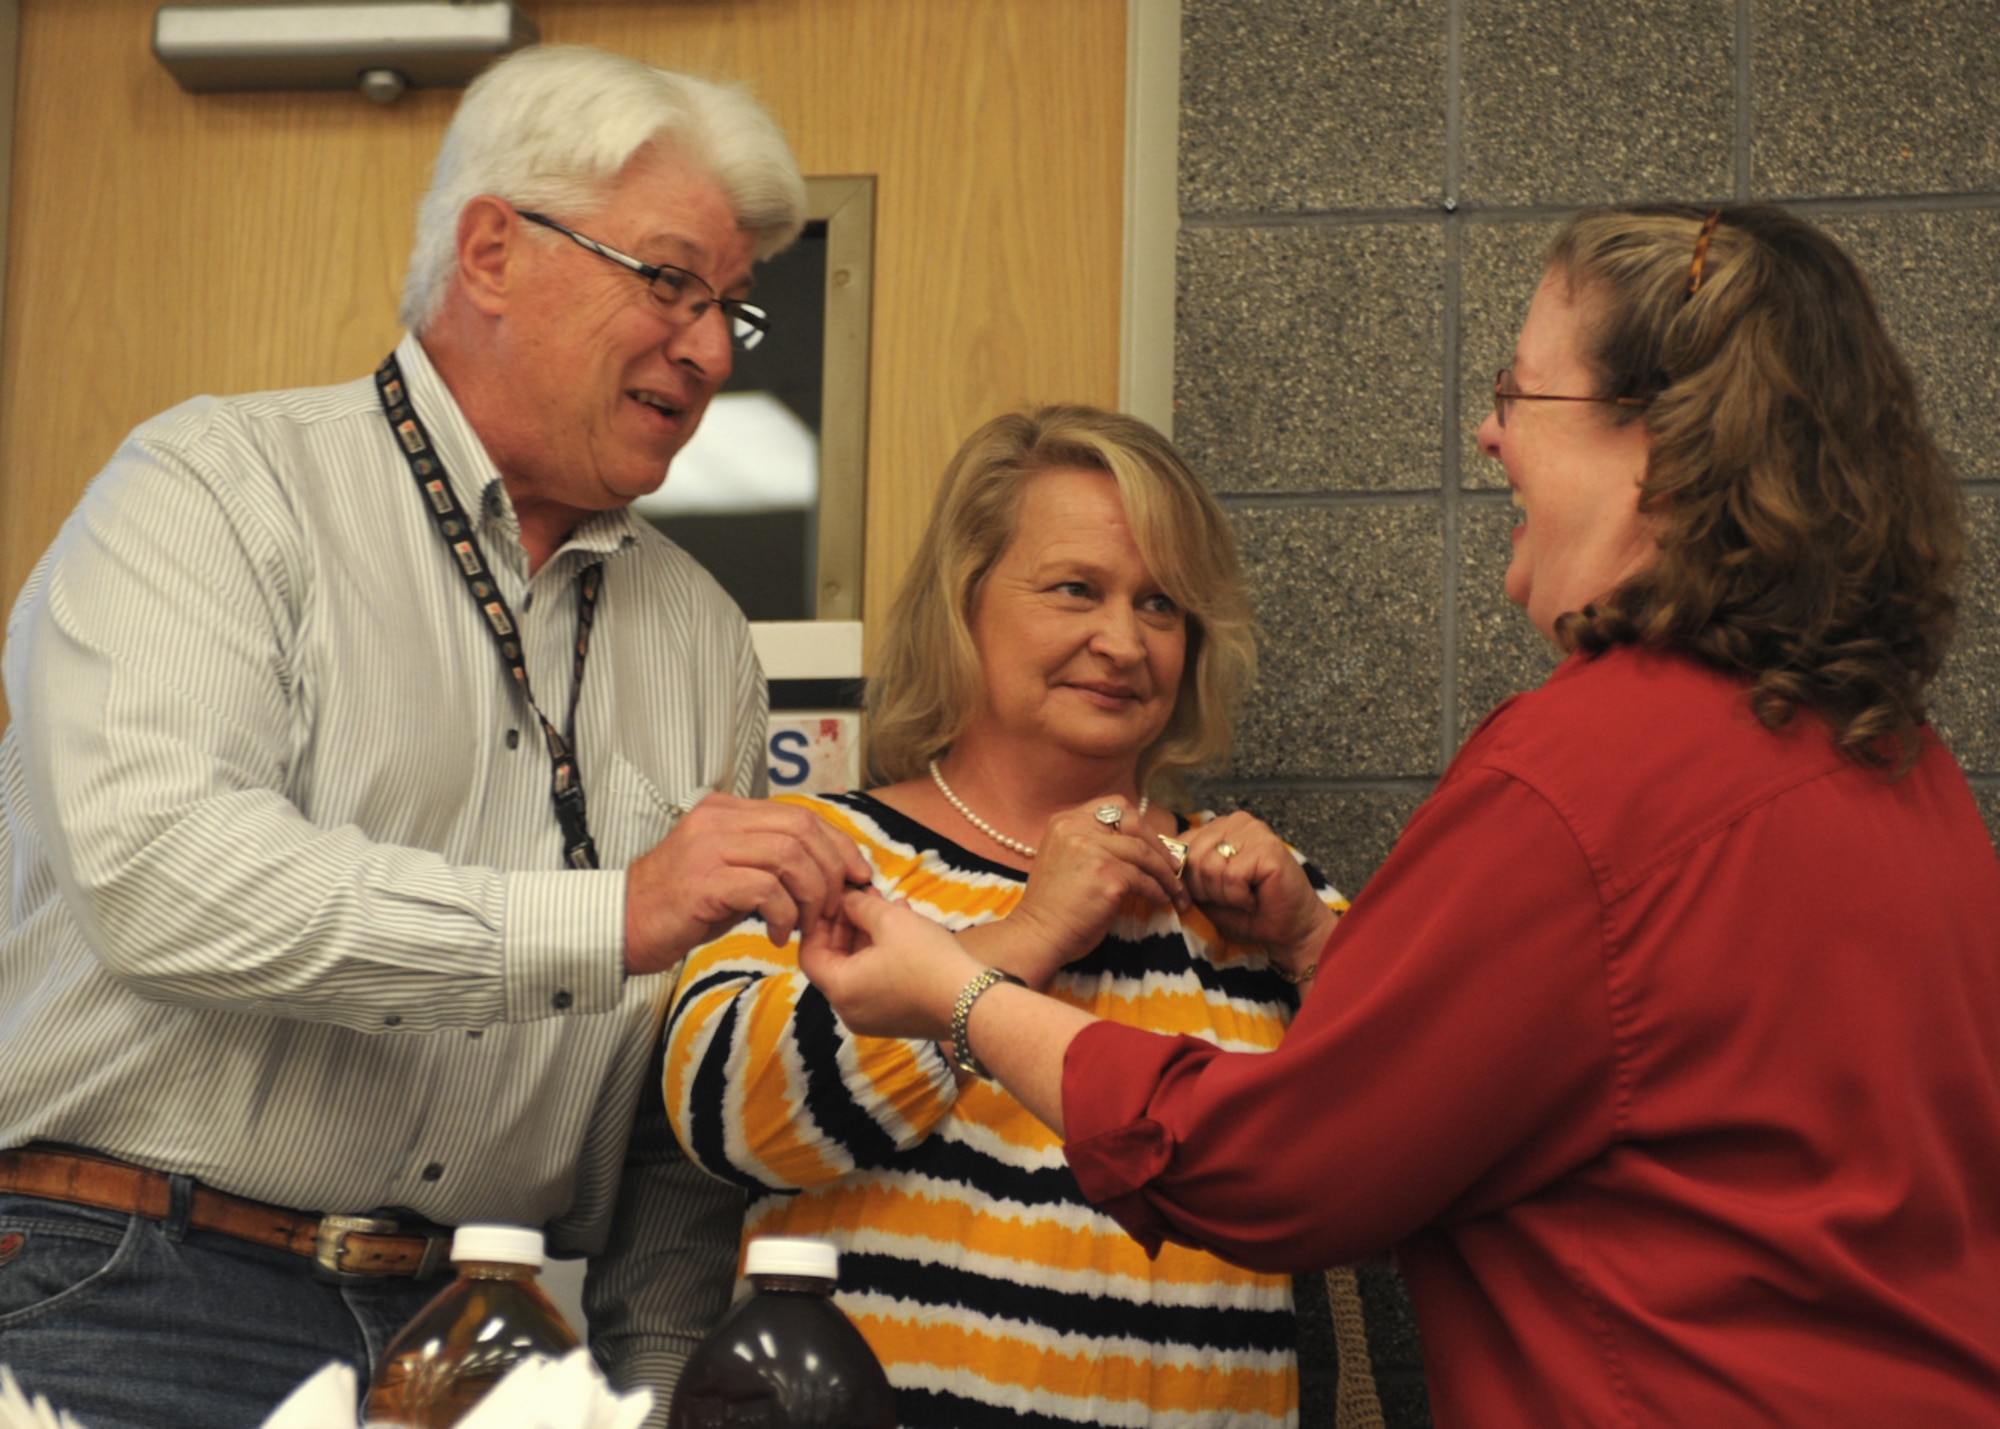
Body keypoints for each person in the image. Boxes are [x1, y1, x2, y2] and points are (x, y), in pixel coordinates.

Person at [799, 206, 2000, 1424]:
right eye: (1071, 589)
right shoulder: (1907, 774)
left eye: (1516, 394)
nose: (1485, 434)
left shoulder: (1580, 780)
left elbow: (1273, 1167)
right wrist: (1325, 950)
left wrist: (960, 992)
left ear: (1659, 442)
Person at [0, 44, 869, 1429]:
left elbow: (671, 1115)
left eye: (730, 311)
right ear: (491, 252)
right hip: (131, 1283)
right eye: (669, 283)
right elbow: (159, 876)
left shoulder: (706, 638)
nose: (708, 350)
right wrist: (611, 915)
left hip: (489, 1337)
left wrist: (653, 1392)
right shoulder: (216, 492)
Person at [664, 406, 1352, 1427]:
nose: (1121, 642)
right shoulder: (818, 849)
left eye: (1159, 605)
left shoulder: (1256, 891)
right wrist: (1023, 937)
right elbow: (726, 1118)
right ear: (964, 599)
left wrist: (1308, 941)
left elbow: (1410, 1136)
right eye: (1075, 589)